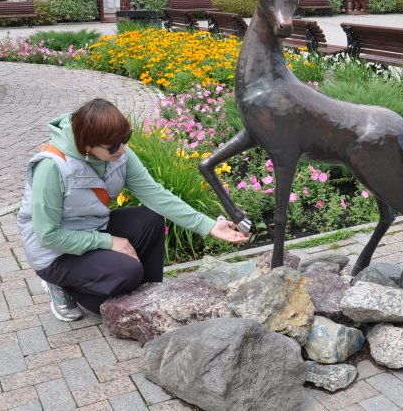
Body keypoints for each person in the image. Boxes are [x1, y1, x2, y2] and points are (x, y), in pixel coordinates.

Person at [17, 98, 250, 322]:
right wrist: (108, 242)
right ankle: (62, 287)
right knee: (126, 273)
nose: (122, 149)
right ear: (87, 145)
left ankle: (146, 296)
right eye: (113, 146)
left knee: (150, 219)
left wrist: (208, 225)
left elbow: (155, 195)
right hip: (55, 253)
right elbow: (47, 235)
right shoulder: (51, 167)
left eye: (125, 139)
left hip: (92, 228)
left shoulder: (118, 152)